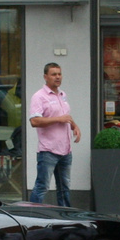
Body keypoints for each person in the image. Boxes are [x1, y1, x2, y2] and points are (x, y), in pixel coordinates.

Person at [28, 62, 80, 205]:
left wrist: (75, 126)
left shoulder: (62, 95)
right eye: (53, 74)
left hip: (65, 150)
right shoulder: (39, 96)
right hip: (48, 150)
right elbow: (34, 121)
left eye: (59, 74)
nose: (57, 77)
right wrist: (59, 119)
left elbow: (65, 116)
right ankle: (31, 217)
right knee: (42, 187)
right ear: (45, 77)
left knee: (65, 188)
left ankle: (65, 217)